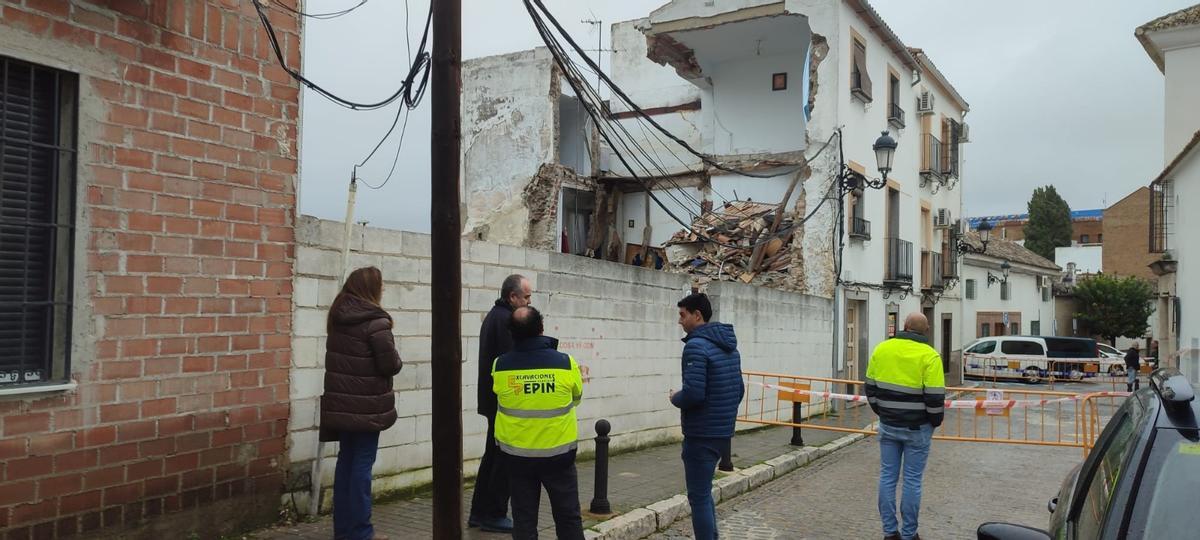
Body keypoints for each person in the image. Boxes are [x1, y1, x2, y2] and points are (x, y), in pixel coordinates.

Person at [319, 266, 403, 540]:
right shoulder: (375, 322)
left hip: (342, 406)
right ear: (371, 289)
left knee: (346, 464)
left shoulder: (338, 317)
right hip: (366, 408)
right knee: (361, 468)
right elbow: (390, 364)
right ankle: (362, 533)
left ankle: (344, 531)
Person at [492, 306, 586, 540]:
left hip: (517, 458)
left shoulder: (500, 366)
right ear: (541, 328)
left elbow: (499, 398)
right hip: (559, 455)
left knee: (524, 521)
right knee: (568, 517)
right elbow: (576, 398)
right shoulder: (565, 363)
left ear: (512, 333)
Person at [669, 293, 744, 540]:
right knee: (704, 493)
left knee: (698, 496)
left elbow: (693, 394)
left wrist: (674, 397)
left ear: (697, 315)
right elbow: (739, 390)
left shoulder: (695, 346)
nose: (680, 321)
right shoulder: (729, 346)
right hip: (722, 433)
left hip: (701, 433)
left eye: (683, 315)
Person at [865, 313, 944, 540]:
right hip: (917, 428)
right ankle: (909, 534)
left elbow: (870, 388)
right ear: (925, 331)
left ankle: (889, 532)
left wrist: (883, 412)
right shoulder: (930, 356)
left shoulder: (882, 349)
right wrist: (933, 422)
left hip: (888, 424)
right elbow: (935, 397)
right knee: (912, 480)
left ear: (905, 326)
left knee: (887, 477)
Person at [469, 274, 532, 532]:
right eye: (526, 297)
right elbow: (512, 364)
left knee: (492, 457)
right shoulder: (506, 320)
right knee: (501, 460)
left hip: (493, 401)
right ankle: (493, 513)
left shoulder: (495, 316)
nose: (529, 302)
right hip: (503, 405)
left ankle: (479, 513)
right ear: (512, 297)